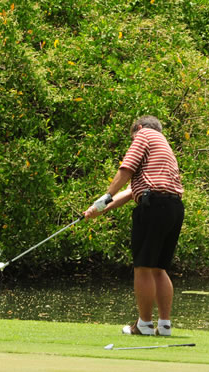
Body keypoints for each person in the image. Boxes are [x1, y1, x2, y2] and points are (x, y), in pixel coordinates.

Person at [83, 115, 185, 336]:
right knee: (159, 269)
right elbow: (131, 192)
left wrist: (106, 195)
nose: (133, 140)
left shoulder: (145, 134)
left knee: (143, 268)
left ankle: (145, 325)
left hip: (154, 207)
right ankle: (164, 326)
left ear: (138, 128)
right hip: (173, 208)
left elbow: (126, 169)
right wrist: (99, 209)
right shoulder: (162, 147)